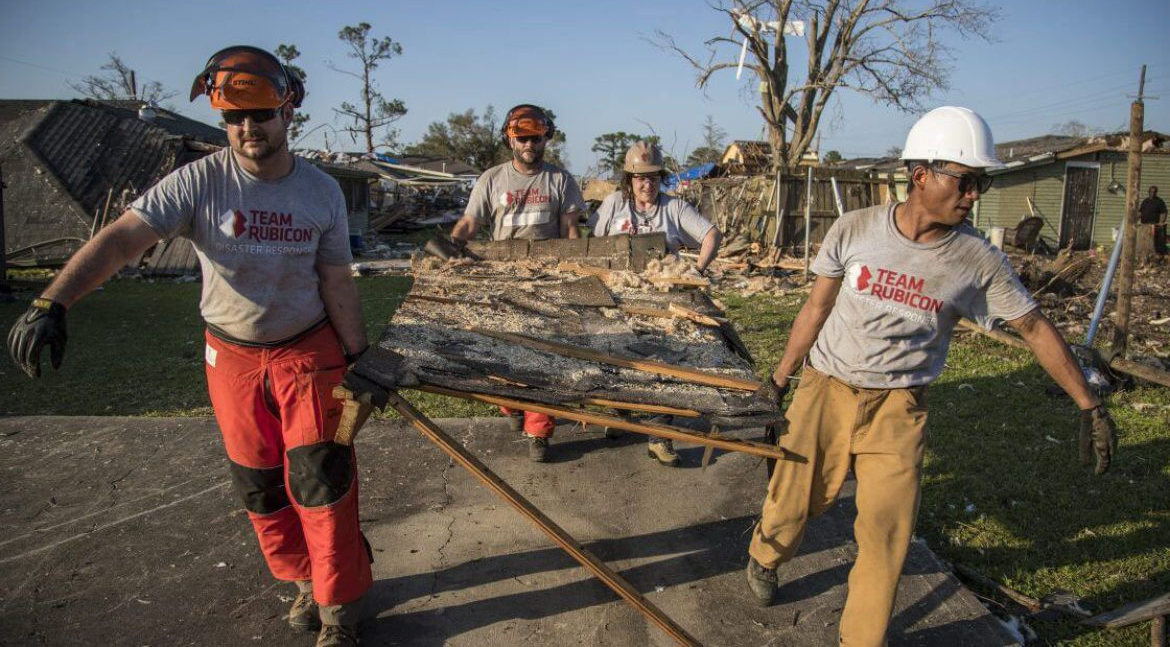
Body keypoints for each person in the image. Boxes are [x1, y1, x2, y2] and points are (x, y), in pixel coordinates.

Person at [7, 46, 371, 647]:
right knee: (259, 485)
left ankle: (340, 613)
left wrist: (358, 356)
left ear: (287, 111)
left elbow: (335, 280)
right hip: (230, 356)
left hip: (307, 352)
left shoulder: (322, 192)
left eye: (260, 114)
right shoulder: (198, 182)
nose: (248, 129)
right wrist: (53, 300)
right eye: (234, 118)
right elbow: (123, 238)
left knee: (322, 478)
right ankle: (304, 580)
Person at [742, 106, 1118, 646]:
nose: (974, 195)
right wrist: (778, 382)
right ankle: (765, 555)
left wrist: (1090, 404)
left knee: (887, 536)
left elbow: (1034, 327)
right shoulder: (854, 229)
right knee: (794, 500)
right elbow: (815, 309)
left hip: (899, 408)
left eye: (980, 183)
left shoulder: (977, 261)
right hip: (826, 388)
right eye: (966, 181)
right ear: (923, 175)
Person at [450, 104, 585, 463]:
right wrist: (451, 248)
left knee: (545, 353)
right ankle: (512, 406)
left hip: (546, 275)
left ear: (546, 138)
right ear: (510, 139)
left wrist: (571, 270)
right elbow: (469, 222)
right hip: (501, 278)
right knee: (500, 352)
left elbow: (571, 229)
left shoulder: (560, 181)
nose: (529, 144)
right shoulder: (492, 179)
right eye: (522, 137)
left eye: (535, 138)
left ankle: (539, 432)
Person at [588, 141, 723, 466]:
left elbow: (711, 234)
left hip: (662, 304)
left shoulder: (673, 209)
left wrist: (695, 271)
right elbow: (589, 242)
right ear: (629, 180)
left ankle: (659, 436)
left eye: (651, 178)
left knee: (665, 367)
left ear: (660, 178)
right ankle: (620, 413)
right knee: (615, 356)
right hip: (617, 298)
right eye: (639, 178)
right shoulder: (613, 205)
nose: (646, 184)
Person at [1139, 185, 1167, 255]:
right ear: (1148, 192)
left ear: (1156, 192)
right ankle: (1144, 253)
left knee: (1153, 242)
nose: (1152, 193)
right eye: (1151, 191)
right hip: (1144, 225)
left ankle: (1156, 254)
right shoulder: (1145, 201)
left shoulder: (1159, 201)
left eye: (1154, 192)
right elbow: (1140, 212)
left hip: (1154, 225)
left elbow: (1164, 212)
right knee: (1145, 241)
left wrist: (1161, 222)